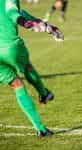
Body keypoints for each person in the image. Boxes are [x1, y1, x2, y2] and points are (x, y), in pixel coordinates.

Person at [0, 0, 63, 137]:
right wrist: (27, 23)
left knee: (16, 84)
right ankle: (44, 94)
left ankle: (41, 129)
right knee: (27, 67)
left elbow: (20, 13)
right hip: (10, 47)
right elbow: (12, 12)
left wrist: (45, 26)